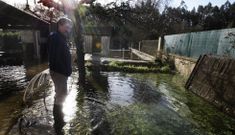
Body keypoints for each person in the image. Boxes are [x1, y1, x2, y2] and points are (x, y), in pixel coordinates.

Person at [47, 17, 72, 134]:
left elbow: (62, 56)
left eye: (69, 27)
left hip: (61, 72)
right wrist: (65, 71)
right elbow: (55, 58)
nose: (68, 29)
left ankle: (59, 119)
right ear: (60, 25)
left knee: (61, 94)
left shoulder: (60, 37)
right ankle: (58, 122)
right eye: (67, 27)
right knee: (60, 95)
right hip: (59, 72)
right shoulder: (55, 37)